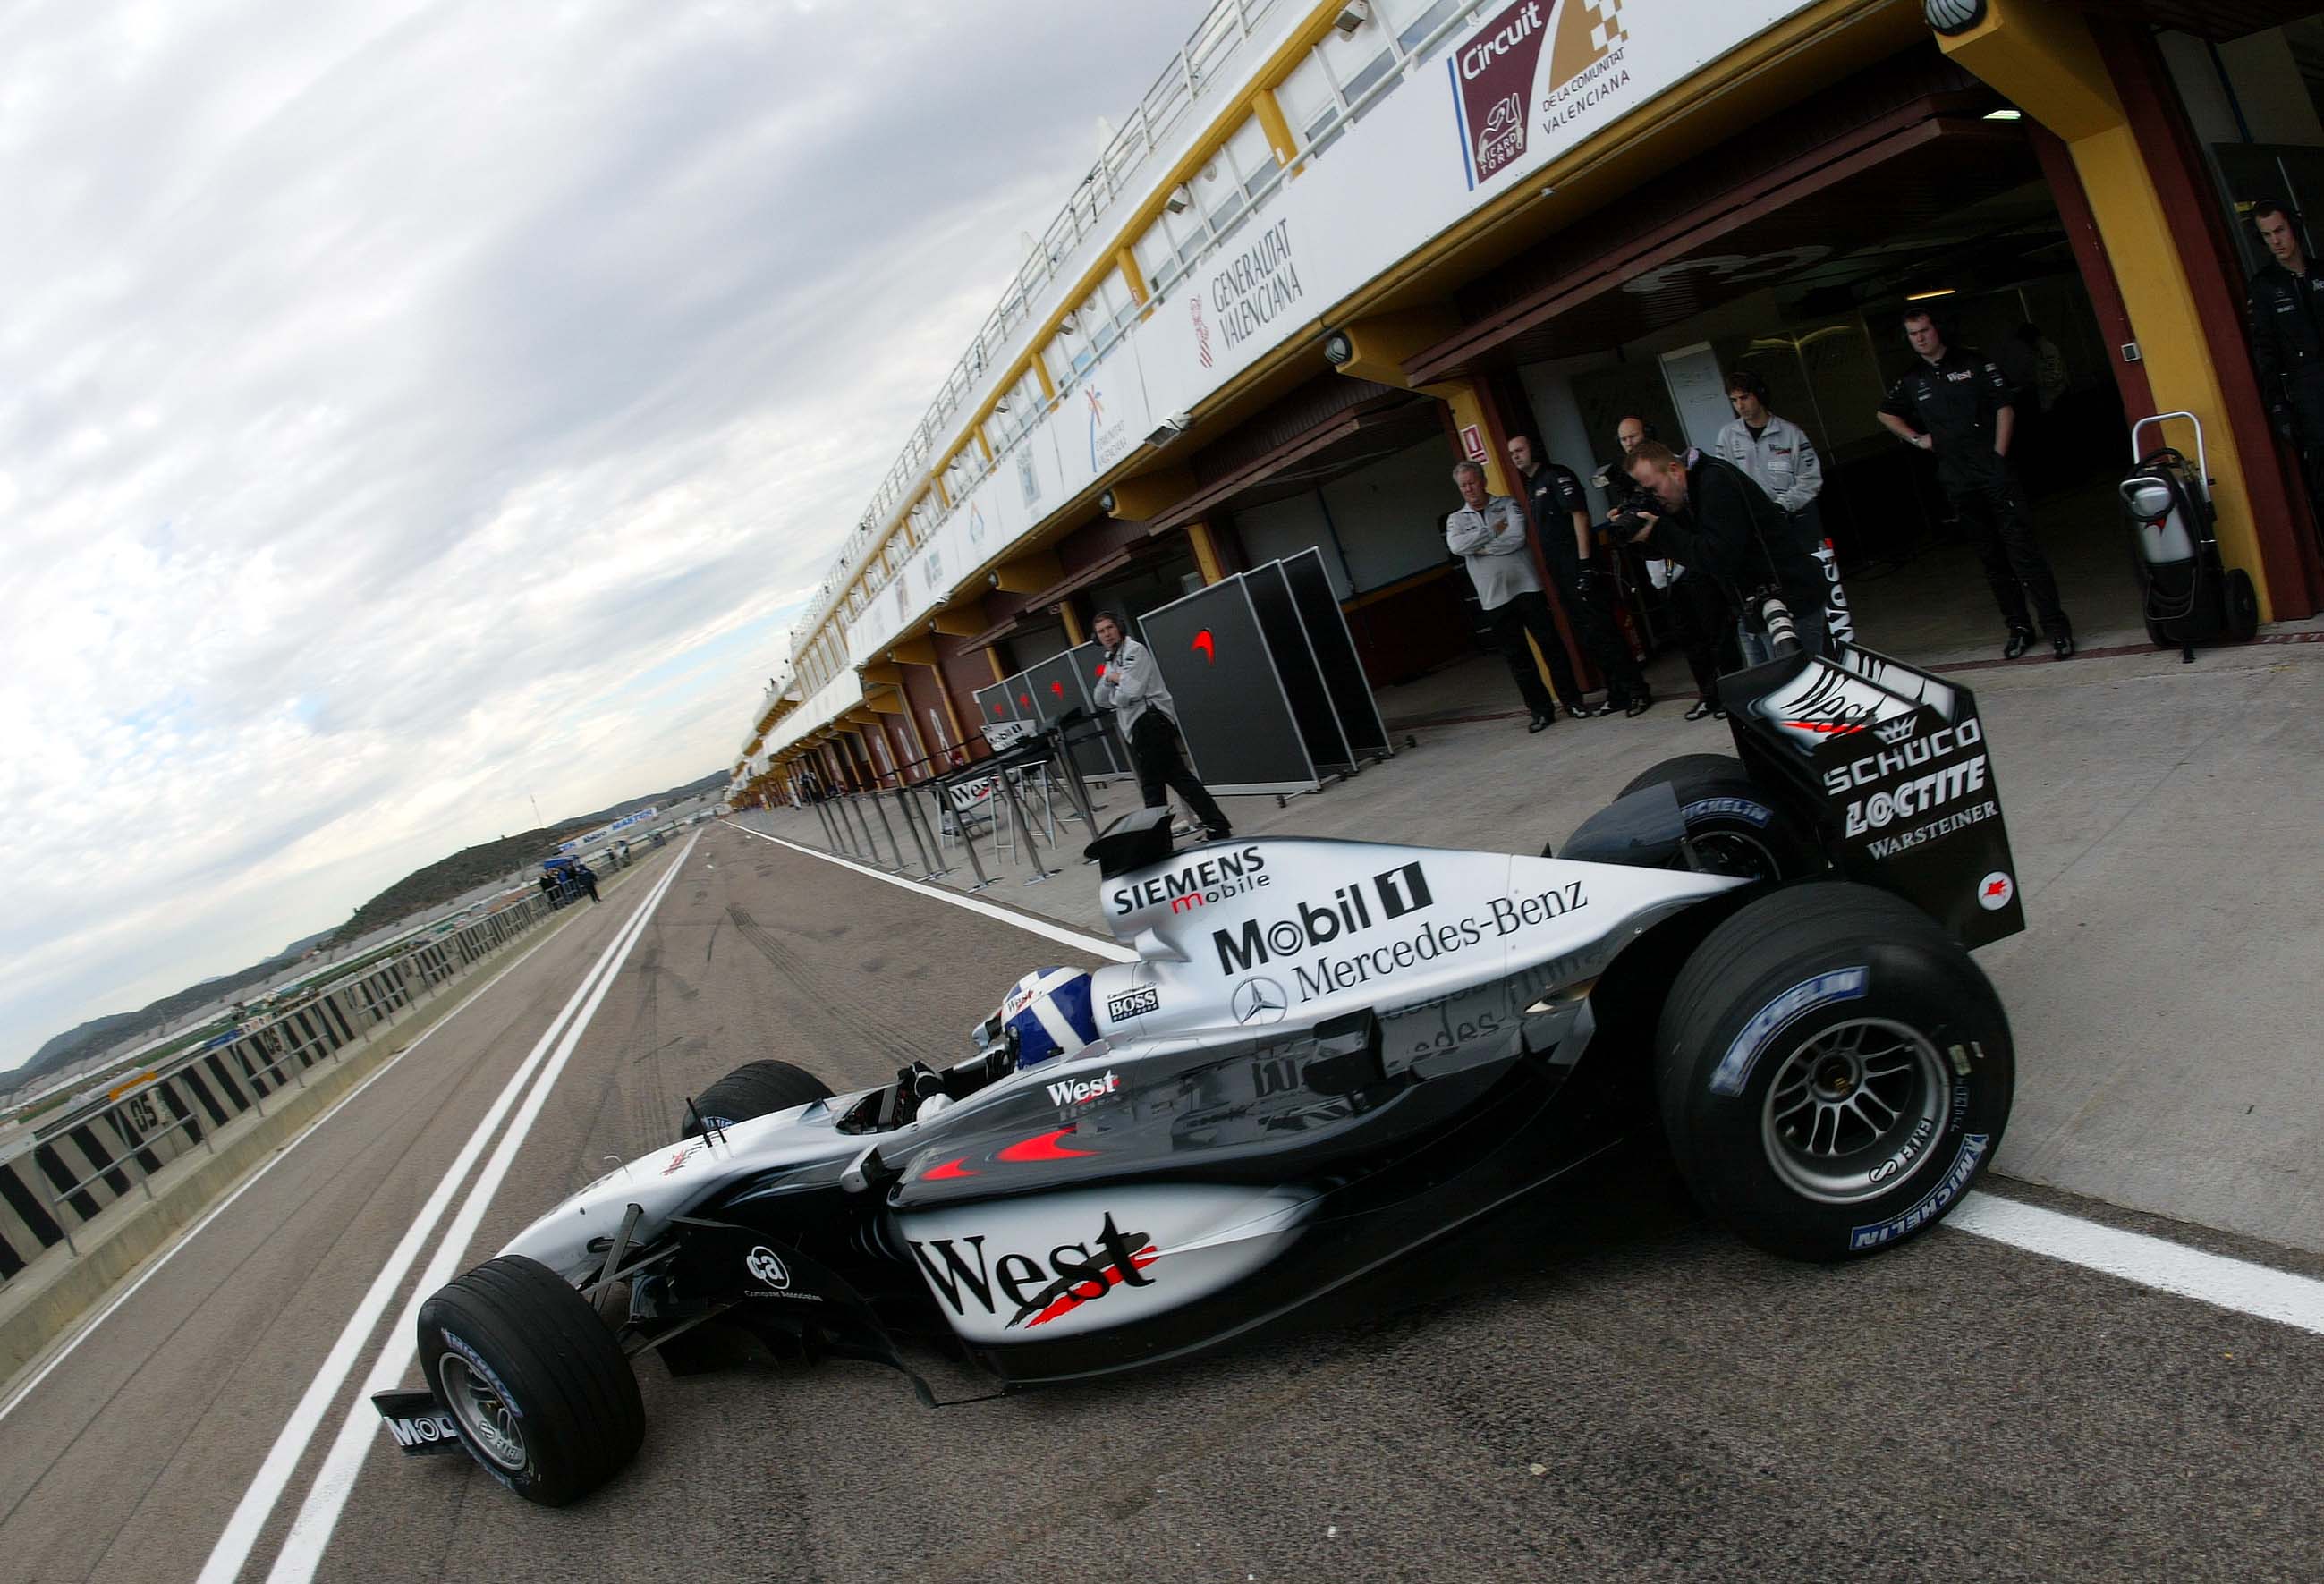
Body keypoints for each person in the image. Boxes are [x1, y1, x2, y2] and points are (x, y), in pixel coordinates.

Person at [1877, 309, 2074, 660]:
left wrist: (1998, 456)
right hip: (1957, 479)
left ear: (1937, 329)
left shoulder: (1973, 361)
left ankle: (2056, 628)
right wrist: (1917, 439)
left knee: (2024, 553)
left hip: (1994, 473)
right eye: (1912, 334)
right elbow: (1885, 412)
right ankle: (2018, 628)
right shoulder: (1912, 378)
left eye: (1924, 330)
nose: (1920, 338)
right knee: (1991, 559)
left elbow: (2005, 407)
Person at [1622, 441, 1830, 662]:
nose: (1655, 498)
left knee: (1794, 687)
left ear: (1674, 470)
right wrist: (1640, 533)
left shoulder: (1714, 483)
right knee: (1763, 690)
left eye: (1653, 489)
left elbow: (1716, 556)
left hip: (1788, 601)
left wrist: (1659, 532)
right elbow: (1683, 545)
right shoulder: (1690, 492)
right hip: (1754, 606)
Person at [1506, 433, 1651, 716]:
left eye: (1520, 450)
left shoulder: (1557, 476)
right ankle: (1617, 692)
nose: (1515, 456)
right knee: (1588, 636)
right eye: (1511, 453)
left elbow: (1579, 516)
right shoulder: (1532, 484)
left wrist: (1585, 565)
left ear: (1534, 448)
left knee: (1604, 630)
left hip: (1579, 565)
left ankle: (1637, 691)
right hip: (1560, 572)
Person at [1601, 417, 1728, 719]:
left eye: (1633, 436)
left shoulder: (1669, 471)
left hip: (1691, 560)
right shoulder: (1630, 480)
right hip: (1661, 569)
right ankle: (1708, 694)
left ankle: (1729, 691)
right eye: (1623, 439)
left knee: (1716, 630)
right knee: (1688, 637)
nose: (1629, 443)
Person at [1717, 370, 1853, 646]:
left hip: (1795, 526)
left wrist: (1782, 506)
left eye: (1745, 397)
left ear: (1760, 396)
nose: (1740, 406)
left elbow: (1811, 479)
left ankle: (1827, 652)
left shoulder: (1791, 433)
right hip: (1756, 535)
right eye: (1734, 400)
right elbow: (1724, 484)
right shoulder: (1728, 437)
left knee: (1812, 595)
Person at [1445, 459, 1582, 733]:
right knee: (1518, 659)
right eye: (1463, 485)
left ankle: (1573, 702)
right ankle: (1541, 711)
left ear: (1483, 480)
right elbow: (1458, 547)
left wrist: (1482, 548)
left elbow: (1517, 537)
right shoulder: (1455, 519)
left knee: (1551, 646)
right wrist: (1491, 532)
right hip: (1494, 599)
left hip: (1528, 589)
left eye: (1472, 482)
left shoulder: (1507, 504)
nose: (1469, 489)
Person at [1090, 610, 1232, 841]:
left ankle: (1159, 842)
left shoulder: (1134, 651)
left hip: (1150, 721)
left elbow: (1131, 693)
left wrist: (1116, 683)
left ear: (1119, 628)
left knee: (1153, 786)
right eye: (1101, 631)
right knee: (1176, 777)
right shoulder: (1111, 660)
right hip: (1139, 726)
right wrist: (1112, 680)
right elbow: (1099, 699)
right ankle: (1216, 825)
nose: (1106, 634)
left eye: (1109, 628)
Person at [2246, 199, 2324, 524]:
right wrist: (2277, 405)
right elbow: (2264, 351)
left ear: (2294, 227)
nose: (2275, 241)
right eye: (2267, 235)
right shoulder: (2265, 287)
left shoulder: (2321, 271)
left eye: (2279, 230)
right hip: (2308, 393)